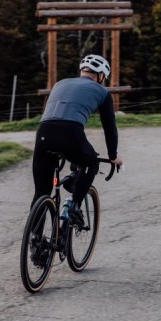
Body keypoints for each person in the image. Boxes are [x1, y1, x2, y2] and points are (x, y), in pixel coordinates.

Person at [32, 54, 123, 222]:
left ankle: (35, 235)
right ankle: (75, 205)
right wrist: (113, 156)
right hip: (70, 131)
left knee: (41, 191)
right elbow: (110, 128)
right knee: (91, 162)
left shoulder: (59, 84)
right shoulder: (103, 92)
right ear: (100, 75)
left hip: (43, 131)